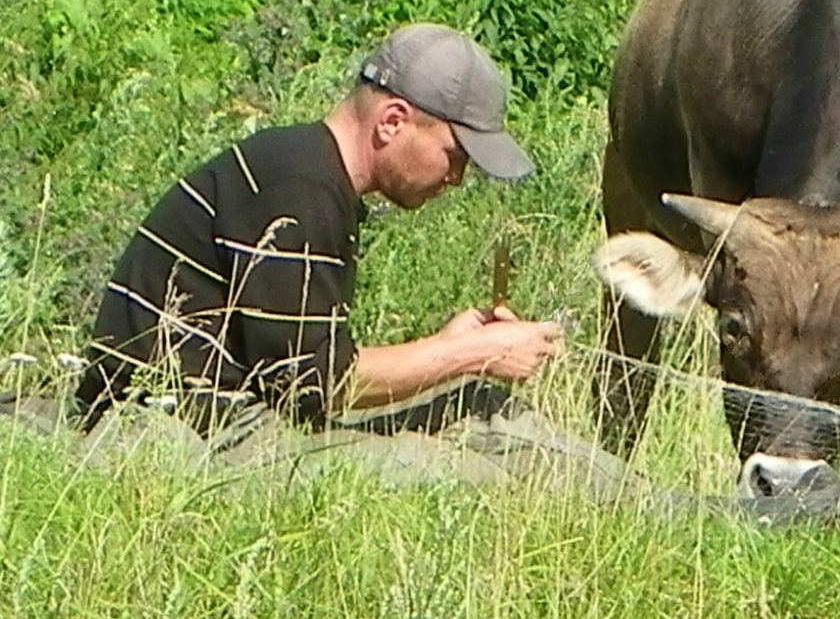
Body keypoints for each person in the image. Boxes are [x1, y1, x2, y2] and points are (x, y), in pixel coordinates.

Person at [77, 23, 562, 432]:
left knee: (477, 411)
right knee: (471, 456)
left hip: (206, 413)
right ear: (393, 121)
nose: (455, 180)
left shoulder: (307, 169)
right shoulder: (301, 188)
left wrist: (455, 348)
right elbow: (317, 384)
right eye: (454, 157)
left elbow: (307, 372)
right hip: (169, 425)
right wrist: (470, 354)